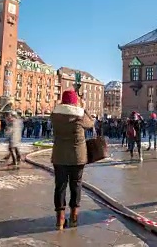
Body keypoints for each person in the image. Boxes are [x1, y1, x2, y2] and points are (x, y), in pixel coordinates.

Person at [51, 90, 94, 230]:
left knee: (60, 186)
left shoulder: (55, 115)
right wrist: (83, 106)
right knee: (76, 186)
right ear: (75, 102)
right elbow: (91, 123)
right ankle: (74, 217)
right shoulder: (80, 116)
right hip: (77, 157)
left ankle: (60, 220)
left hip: (59, 156)